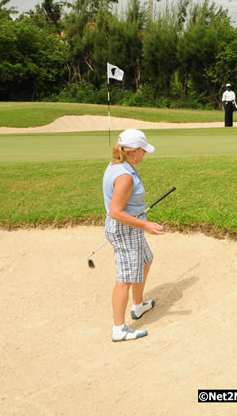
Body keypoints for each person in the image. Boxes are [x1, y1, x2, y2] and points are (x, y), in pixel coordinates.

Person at [102, 129, 164, 341]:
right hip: (125, 229)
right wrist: (144, 225)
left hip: (130, 226)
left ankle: (138, 305)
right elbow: (116, 212)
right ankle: (119, 328)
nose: (145, 154)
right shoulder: (125, 176)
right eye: (143, 150)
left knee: (146, 260)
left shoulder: (119, 165)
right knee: (125, 278)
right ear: (134, 151)